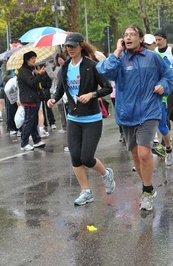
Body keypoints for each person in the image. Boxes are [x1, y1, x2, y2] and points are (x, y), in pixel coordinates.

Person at [97, 24, 173, 210]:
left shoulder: (153, 57)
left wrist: (163, 85)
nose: (129, 37)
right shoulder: (119, 59)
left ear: (141, 38)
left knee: (143, 153)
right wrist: (117, 51)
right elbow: (104, 71)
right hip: (127, 113)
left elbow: (169, 76)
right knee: (135, 155)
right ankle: (147, 186)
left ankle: (147, 192)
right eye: (125, 35)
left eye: (133, 34)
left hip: (149, 111)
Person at [47, 32, 115, 206]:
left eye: (73, 46)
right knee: (75, 158)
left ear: (81, 46)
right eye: (67, 47)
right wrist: (53, 99)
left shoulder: (92, 66)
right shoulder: (65, 67)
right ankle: (86, 191)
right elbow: (61, 89)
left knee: (86, 157)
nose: (69, 49)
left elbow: (107, 88)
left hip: (92, 118)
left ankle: (106, 174)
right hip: (73, 118)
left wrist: (92, 94)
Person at [143, 33, 173, 166]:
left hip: (158, 99)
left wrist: (162, 85)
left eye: (149, 45)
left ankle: (168, 148)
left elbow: (170, 75)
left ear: (154, 45)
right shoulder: (136, 59)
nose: (146, 47)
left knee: (162, 127)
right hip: (143, 100)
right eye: (144, 45)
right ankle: (142, 158)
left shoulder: (161, 57)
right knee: (142, 129)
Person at [17, 51, 47, 151]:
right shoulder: (23, 71)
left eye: (35, 57)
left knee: (33, 121)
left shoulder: (31, 70)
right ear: (27, 59)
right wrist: (39, 75)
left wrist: (38, 74)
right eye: (32, 58)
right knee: (29, 121)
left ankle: (36, 140)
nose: (34, 60)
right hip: (28, 99)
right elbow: (32, 83)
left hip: (34, 98)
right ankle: (24, 143)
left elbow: (37, 81)